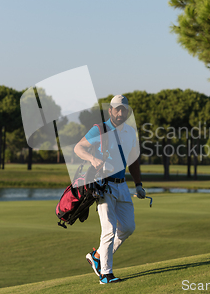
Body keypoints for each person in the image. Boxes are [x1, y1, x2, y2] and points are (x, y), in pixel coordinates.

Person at [73, 94, 145, 284]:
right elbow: (78, 148)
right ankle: (106, 274)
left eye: (124, 110)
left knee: (128, 227)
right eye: (117, 109)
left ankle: (96, 255)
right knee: (109, 230)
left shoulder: (130, 132)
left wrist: (138, 184)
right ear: (110, 111)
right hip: (103, 186)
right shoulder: (100, 129)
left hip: (122, 186)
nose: (121, 113)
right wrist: (92, 158)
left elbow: (134, 160)